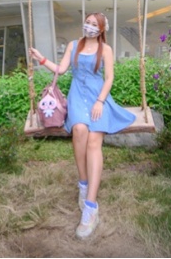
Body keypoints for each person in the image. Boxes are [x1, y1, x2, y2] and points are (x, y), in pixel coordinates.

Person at [29, 12, 136, 239]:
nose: (88, 27)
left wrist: (100, 101)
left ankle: (90, 208)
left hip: (98, 97)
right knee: (79, 130)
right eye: (87, 22)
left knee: (94, 142)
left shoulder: (105, 49)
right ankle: (83, 183)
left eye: (93, 24)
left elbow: (109, 78)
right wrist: (41, 59)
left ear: (101, 29)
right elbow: (62, 69)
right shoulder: (73, 45)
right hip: (77, 95)